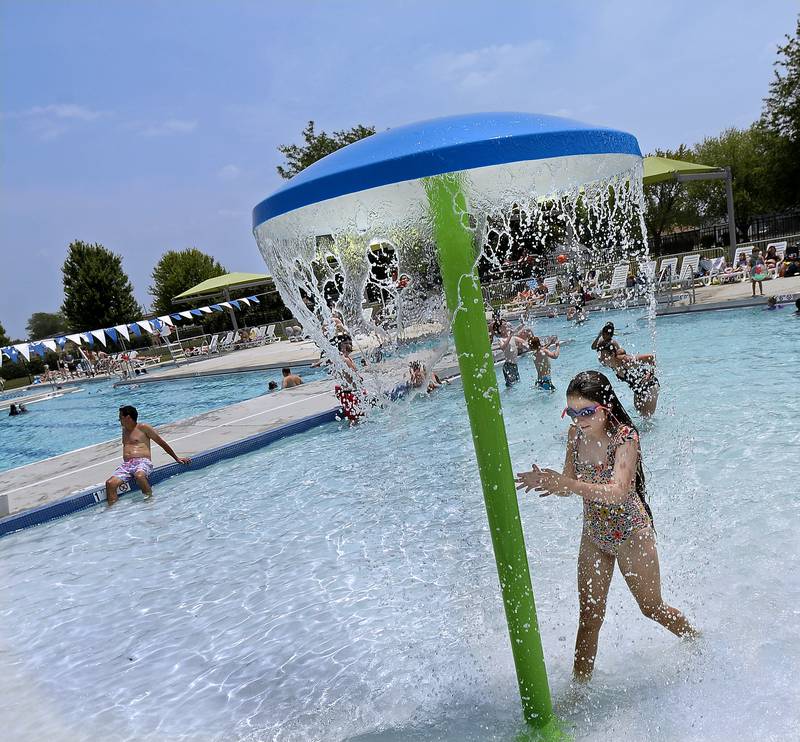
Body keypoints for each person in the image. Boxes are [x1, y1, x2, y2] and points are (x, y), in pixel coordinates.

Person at [514, 370, 697, 682]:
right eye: (571, 412)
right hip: (595, 535)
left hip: (631, 535)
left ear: (605, 406)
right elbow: (568, 481)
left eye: (585, 412)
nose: (577, 419)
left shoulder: (625, 437)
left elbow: (619, 491)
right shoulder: (575, 436)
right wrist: (549, 481)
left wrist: (567, 484)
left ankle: (695, 640)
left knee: (651, 608)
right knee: (589, 617)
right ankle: (579, 691)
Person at [105, 405, 191, 506]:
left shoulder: (143, 428)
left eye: (120, 417)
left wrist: (176, 458)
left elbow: (161, 443)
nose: (119, 420)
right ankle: (112, 512)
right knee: (110, 483)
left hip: (142, 462)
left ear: (128, 417)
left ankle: (150, 502)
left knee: (139, 476)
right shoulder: (124, 430)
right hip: (127, 465)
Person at [597, 343, 660, 417]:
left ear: (612, 354)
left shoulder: (626, 361)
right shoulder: (612, 364)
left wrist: (650, 374)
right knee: (639, 414)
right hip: (637, 389)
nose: (602, 359)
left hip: (650, 386)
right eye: (601, 356)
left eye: (604, 356)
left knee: (647, 417)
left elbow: (651, 357)